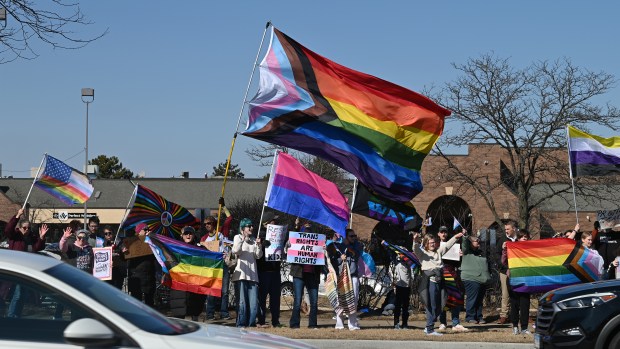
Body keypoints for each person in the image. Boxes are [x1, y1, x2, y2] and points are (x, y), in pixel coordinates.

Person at [413, 229, 463, 336]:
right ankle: (430, 329)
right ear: (426, 243)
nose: (432, 244)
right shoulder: (423, 254)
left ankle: (430, 326)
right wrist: (415, 241)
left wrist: (456, 236)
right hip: (429, 282)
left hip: (440, 281)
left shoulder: (438, 252)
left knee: (440, 303)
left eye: (433, 242)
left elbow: (448, 245)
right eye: (430, 243)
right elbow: (416, 249)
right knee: (431, 304)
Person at [3, 208, 48, 318]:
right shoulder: (15, 236)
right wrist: (17, 215)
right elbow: (8, 230)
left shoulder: (31, 237)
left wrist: (41, 237)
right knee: (17, 294)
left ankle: (17, 315)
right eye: (24, 228)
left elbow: (38, 247)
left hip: (27, 269)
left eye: (28, 228)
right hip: (16, 268)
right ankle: (11, 315)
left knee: (23, 294)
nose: (27, 230)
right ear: (20, 228)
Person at [200, 197, 234, 321]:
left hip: (222, 265)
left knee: (224, 291)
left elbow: (229, 219)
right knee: (211, 292)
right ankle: (210, 314)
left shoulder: (221, 233)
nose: (207, 226)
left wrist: (224, 206)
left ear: (214, 224)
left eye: (209, 223)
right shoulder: (204, 239)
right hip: (211, 267)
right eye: (205, 224)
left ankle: (224, 313)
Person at [287, 223, 322, 329]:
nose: (308, 233)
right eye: (305, 231)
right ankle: (294, 324)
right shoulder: (294, 243)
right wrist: (296, 227)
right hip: (299, 274)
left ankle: (312, 324)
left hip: (312, 275)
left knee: (314, 301)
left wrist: (322, 250)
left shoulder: (317, 244)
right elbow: (289, 246)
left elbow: (321, 260)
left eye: (309, 231)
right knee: (297, 300)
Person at [168, 226, 207, 321]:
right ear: (182, 235)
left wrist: (220, 256)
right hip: (179, 287)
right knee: (179, 315)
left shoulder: (200, 248)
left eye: (190, 233)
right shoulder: (175, 248)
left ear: (194, 235)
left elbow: (209, 259)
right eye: (186, 233)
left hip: (194, 287)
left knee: (194, 312)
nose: (188, 235)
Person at [232, 218, 262, 328]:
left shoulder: (254, 240)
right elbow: (236, 251)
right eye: (249, 226)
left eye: (252, 226)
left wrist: (258, 245)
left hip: (252, 275)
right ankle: (240, 324)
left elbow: (258, 256)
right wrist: (242, 239)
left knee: (253, 304)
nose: (251, 228)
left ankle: (251, 324)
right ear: (243, 228)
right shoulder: (237, 237)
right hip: (241, 275)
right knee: (242, 303)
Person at [256, 211, 283, 328]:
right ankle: (261, 320)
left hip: (276, 271)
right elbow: (256, 253)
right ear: (266, 223)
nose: (276, 222)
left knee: (275, 298)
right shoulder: (260, 235)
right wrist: (261, 244)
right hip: (264, 272)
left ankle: (275, 320)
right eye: (273, 220)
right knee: (262, 298)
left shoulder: (279, 235)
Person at [437, 226, 467, 331]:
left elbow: (457, 263)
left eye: (445, 232)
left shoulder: (454, 245)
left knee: (455, 298)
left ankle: (455, 322)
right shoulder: (435, 245)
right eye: (442, 232)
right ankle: (442, 322)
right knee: (442, 299)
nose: (444, 234)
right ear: (438, 234)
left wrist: (460, 256)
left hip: (452, 273)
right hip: (440, 274)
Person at [333, 228, 363, 330]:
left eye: (354, 236)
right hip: (342, 277)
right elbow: (334, 262)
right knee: (340, 300)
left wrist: (348, 245)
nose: (354, 238)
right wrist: (340, 258)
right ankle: (339, 323)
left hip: (353, 276)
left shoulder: (357, 245)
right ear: (345, 237)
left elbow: (357, 253)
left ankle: (352, 324)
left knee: (353, 300)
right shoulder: (338, 247)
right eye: (351, 236)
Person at [503, 229, 532, 335]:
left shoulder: (530, 249)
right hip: (513, 278)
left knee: (525, 304)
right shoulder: (512, 247)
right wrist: (505, 250)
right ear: (518, 238)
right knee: (514, 303)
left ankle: (524, 327)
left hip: (526, 280)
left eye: (526, 236)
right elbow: (504, 261)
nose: (524, 238)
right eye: (522, 236)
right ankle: (515, 326)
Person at [461, 232, 491, 328]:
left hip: (482, 279)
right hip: (471, 278)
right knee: (472, 298)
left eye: (479, 240)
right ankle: (470, 317)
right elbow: (464, 244)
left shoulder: (481, 253)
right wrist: (465, 236)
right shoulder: (466, 251)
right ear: (470, 242)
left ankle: (479, 316)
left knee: (479, 300)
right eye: (475, 240)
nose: (478, 241)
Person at [124, 223, 156, 306]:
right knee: (136, 304)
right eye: (145, 229)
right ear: (138, 231)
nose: (147, 231)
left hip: (149, 278)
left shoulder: (152, 242)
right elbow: (123, 259)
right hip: (136, 279)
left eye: (148, 229)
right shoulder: (131, 242)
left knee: (149, 304)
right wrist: (123, 252)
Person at [496, 220, 517, 325]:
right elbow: (496, 254)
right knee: (505, 293)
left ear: (514, 229)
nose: (506, 231)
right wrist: (502, 267)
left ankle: (520, 315)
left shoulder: (519, 239)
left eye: (508, 229)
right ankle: (504, 315)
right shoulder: (502, 240)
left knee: (520, 292)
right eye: (505, 229)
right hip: (505, 271)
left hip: (518, 270)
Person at [390, 243, 413, 330]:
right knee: (397, 305)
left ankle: (405, 323)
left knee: (406, 306)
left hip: (407, 286)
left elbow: (411, 274)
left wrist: (411, 282)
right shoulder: (396, 262)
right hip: (399, 285)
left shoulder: (409, 263)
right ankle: (396, 323)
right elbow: (391, 252)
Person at [102, 225, 126, 290]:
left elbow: (124, 253)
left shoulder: (120, 242)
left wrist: (122, 251)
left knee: (117, 289)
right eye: (106, 234)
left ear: (113, 233)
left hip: (119, 271)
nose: (108, 235)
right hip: (109, 272)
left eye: (110, 233)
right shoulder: (104, 244)